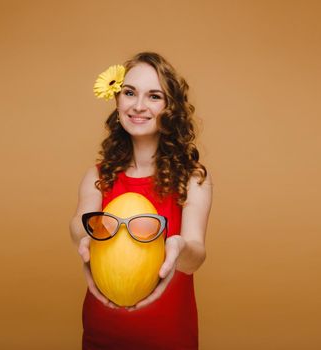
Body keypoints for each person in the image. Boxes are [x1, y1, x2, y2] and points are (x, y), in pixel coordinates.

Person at [69, 52, 213, 349]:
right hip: (102, 331)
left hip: (169, 336)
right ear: (117, 101)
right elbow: (79, 224)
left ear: (169, 108)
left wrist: (179, 248)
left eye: (154, 96)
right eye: (129, 93)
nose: (138, 106)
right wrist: (84, 238)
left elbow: (196, 252)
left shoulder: (193, 177)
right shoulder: (97, 175)